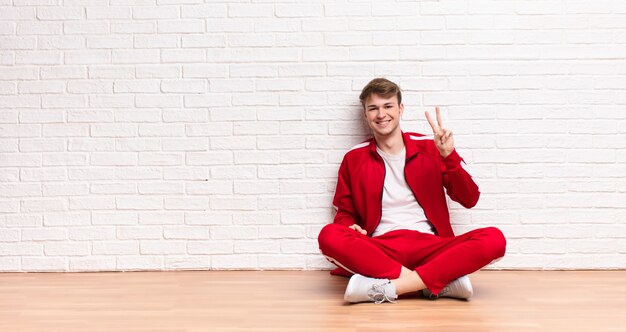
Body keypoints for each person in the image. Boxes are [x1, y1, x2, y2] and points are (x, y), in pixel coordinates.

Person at [318, 78, 506, 304]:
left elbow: (469, 198)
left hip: (432, 247)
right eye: (373, 108)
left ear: (400, 109)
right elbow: (344, 212)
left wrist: (449, 157)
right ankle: (438, 283)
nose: (381, 114)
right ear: (365, 115)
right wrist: (349, 226)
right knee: (329, 235)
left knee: (494, 239)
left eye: (388, 106)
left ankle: (386, 288)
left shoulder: (431, 147)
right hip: (381, 248)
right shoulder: (353, 158)